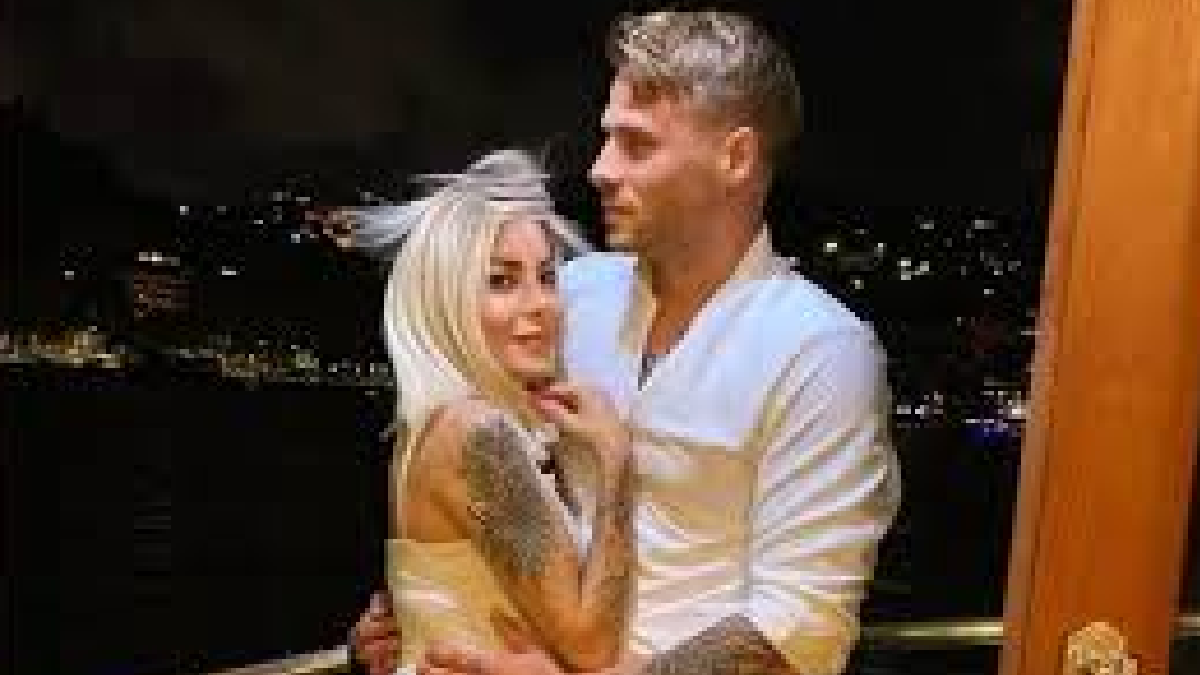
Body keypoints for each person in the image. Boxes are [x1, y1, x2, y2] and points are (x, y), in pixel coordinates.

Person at [352, 10, 901, 675]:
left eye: (636, 145)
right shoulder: (569, 296)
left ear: (735, 158)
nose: (600, 169)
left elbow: (799, 627)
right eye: (606, 137)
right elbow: (460, 467)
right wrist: (421, 608)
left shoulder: (821, 352)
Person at [356, 149, 637, 675]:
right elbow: (590, 647)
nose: (539, 304)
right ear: (448, 300)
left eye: (546, 277)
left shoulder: (436, 424)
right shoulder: (476, 432)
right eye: (502, 281)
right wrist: (618, 461)